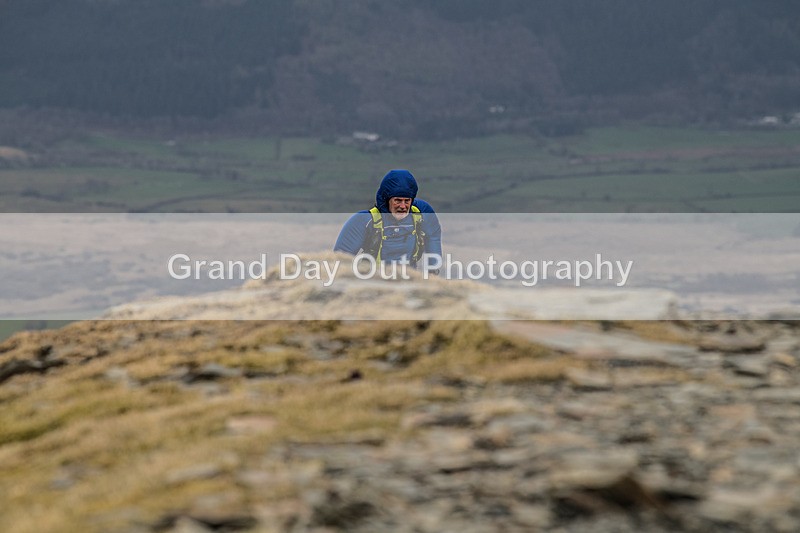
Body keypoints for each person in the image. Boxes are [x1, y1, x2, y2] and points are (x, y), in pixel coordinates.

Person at [334, 169, 442, 270]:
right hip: (373, 281)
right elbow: (339, 260)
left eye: (407, 200)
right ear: (387, 199)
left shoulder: (421, 214)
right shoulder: (365, 220)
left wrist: (433, 271)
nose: (403, 206)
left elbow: (434, 239)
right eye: (398, 200)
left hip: (409, 280)